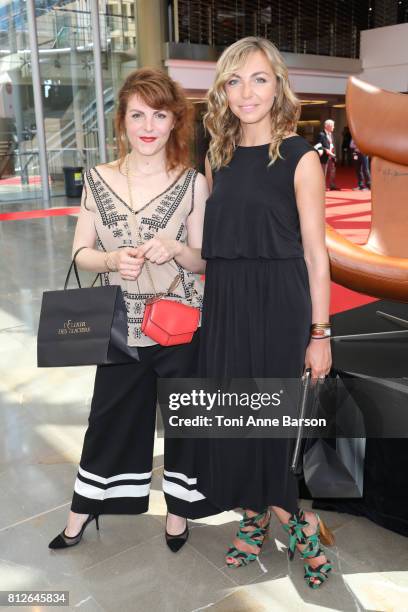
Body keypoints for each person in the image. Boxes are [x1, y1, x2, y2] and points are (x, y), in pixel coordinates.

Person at [48, 68, 219, 552]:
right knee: (108, 418)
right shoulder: (97, 179)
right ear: (122, 120)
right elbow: (80, 252)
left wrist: (175, 248)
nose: (148, 126)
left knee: (184, 421)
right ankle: (83, 510)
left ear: (174, 121)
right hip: (119, 324)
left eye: (159, 115)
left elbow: (203, 258)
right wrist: (109, 259)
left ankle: (179, 512)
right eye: (138, 114)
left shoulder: (192, 183)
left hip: (181, 322)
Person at [198, 37, 335, 588]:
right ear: (223, 92)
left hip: (281, 303)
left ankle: (298, 522)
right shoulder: (216, 156)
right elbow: (213, 243)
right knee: (239, 419)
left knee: (276, 424)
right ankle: (257, 516)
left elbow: (316, 254)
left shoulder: (301, 157)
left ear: (277, 84)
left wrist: (319, 332)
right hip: (227, 302)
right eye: (234, 81)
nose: (246, 92)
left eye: (258, 78)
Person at [316, 119, 340, 190]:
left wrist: (334, 154)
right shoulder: (321, 134)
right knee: (323, 172)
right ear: (327, 126)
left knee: (333, 171)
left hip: (332, 156)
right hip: (324, 157)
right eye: (332, 126)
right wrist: (326, 150)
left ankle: (332, 185)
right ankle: (322, 187)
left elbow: (332, 145)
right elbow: (318, 145)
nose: (334, 127)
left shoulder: (331, 134)